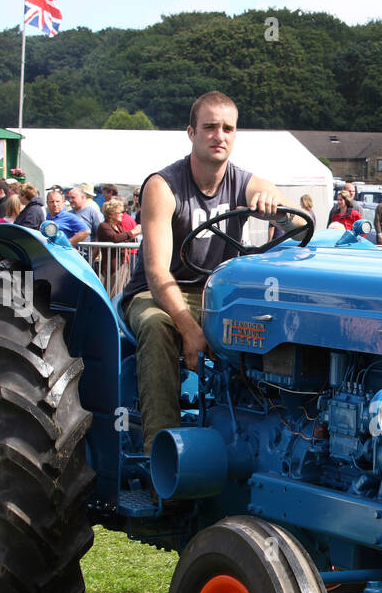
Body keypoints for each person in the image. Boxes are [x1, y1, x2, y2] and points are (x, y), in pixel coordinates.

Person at [118, 90, 290, 455]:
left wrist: (274, 204)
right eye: (210, 127)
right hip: (161, 292)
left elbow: (279, 201)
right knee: (155, 325)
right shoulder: (163, 187)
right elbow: (156, 271)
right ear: (191, 133)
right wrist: (190, 328)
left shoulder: (243, 181)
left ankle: (267, 436)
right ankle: (158, 452)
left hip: (217, 295)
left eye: (228, 128)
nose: (219, 135)